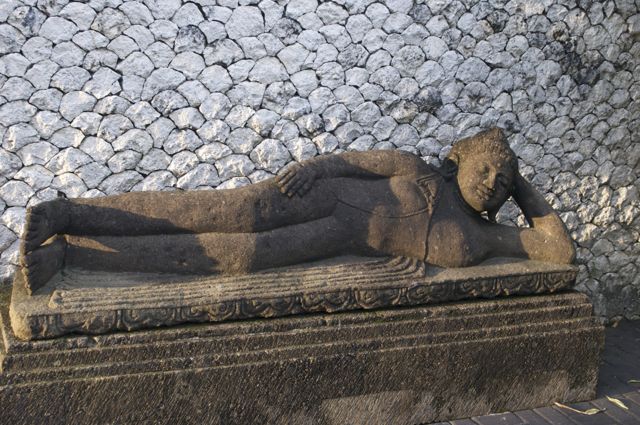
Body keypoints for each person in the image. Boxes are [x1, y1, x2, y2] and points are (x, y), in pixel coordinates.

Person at [19, 128, 575, 292]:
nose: (492, 183)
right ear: (457, 160)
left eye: (502, 182)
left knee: (243, 255)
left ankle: (71, 255)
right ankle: (69, 214)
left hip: (337, 238)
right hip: (321, 195)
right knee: (228, 210)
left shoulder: (485, 239)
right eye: (485, 169)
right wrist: (313, 167)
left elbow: (557, 250)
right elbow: (353, 162)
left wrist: (520, 181)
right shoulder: (417, 169)